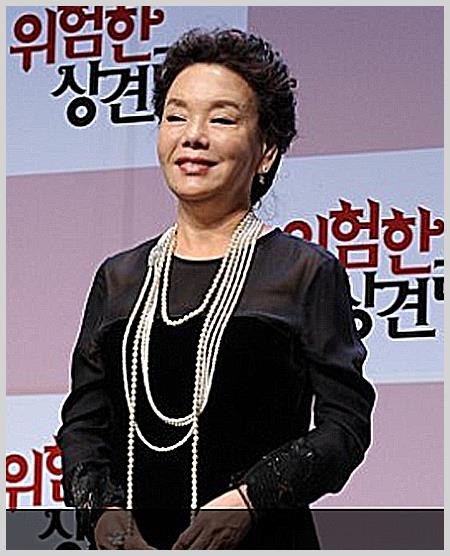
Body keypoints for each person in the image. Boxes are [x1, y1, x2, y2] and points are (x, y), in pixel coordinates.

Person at [56, 27, 376, 550]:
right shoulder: (120, 278)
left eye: (222, 119)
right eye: (176, 116)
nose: (193, 136)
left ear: (266, 150)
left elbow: (344, 427)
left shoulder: (302, 273)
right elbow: (83, 426)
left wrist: (251, 498)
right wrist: (103, 516)